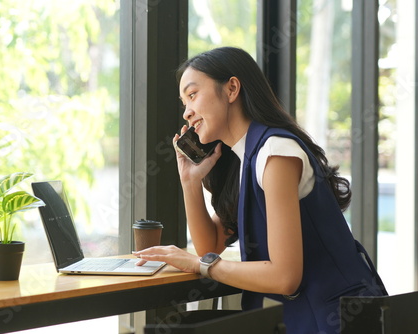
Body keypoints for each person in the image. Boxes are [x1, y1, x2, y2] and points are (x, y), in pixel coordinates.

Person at [133, 46, 387, 333]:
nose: (187, 113)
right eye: (184, 103)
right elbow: (210, 246)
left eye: (192, 95)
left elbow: (285, 276)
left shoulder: (276, 153)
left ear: (231, 89)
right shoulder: (246, 157)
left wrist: (198, 265)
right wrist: (190, 183)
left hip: (333, 321)